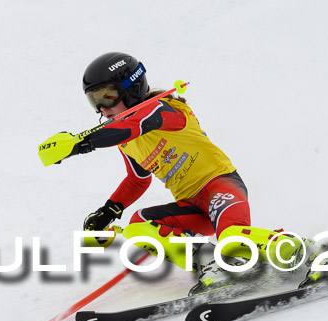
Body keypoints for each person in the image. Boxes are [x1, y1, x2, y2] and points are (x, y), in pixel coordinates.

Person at [60, 52, 312, 294]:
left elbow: (137, 124)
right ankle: (214, 264)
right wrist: (108, 212)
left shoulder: (164, 110)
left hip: (219, 187)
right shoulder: (125, 139)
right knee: (138, 226)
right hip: (192, 204)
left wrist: (80, 143)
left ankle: (313, 252)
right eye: (95, 100)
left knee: (232, 238)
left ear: (131, 88)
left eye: (108, 96)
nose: (102, 108)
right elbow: (137, 180)